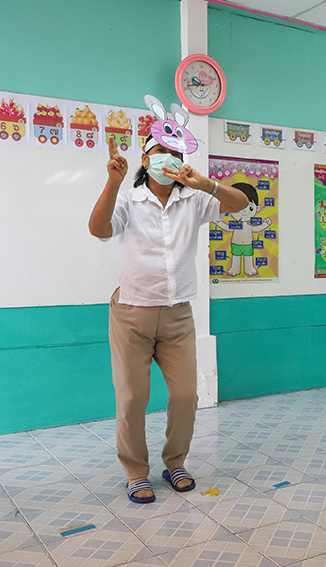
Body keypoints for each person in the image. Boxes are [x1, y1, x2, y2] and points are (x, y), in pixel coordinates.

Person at [89, 135, 249, 503]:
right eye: (160, 152)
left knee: (185, 394)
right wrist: (113, 182)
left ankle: (175, 462)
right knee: (132, 398)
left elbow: (240, 204)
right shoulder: (129, 199)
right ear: (145, 159)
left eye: (175, 153)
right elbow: (98, 229)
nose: (168, 158)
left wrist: (205, 183)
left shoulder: (194, 199)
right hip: (132, 312)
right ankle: (135, 472)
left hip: (178, 315)